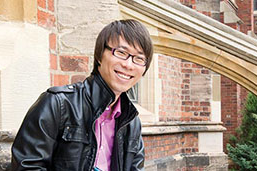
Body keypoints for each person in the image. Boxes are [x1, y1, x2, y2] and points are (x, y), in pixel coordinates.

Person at [11, 19, 153, 171]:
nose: (128, 65)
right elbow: (27, 166)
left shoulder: (132, 122)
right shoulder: (57, 104)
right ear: (99, 56)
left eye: (139, 58)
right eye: (121, 53)